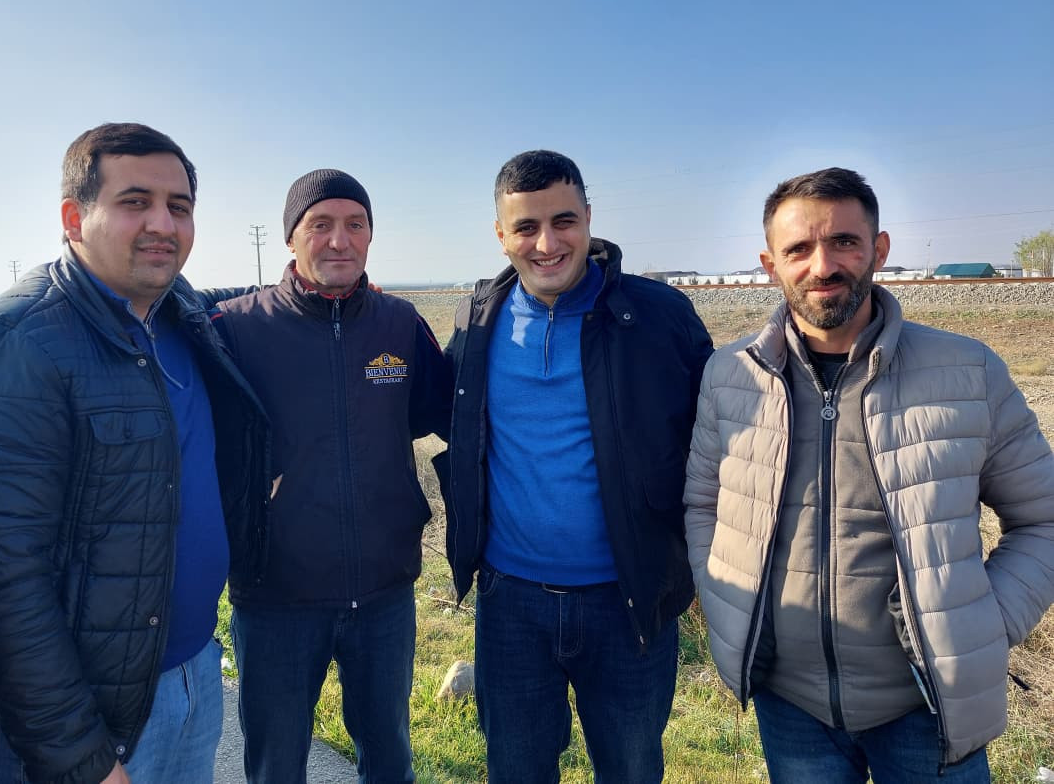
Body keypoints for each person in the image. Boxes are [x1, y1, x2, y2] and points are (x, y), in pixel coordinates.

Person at [683, 167, 1054, 782]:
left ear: (879, 250)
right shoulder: (731, 376)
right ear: (770, 265)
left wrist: (986, 625)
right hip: (790, 707)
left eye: (844, 242)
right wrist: (727, 607)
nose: (822, 266)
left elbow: (1043, 518)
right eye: (798, 249)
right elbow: (703, 506)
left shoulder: (968, 371)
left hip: (928, 709)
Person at [0, 123, 269, 784]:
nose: (162, 224)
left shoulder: (178, 313)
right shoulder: (12, 345)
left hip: (195, 678)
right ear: (72, 218)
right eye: (134, 201)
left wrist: (323, 280)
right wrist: (81, 758)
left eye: (178, 206)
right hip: (89, 725)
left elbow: (240, 300)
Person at [439, 149, 713, 782]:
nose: (547, 243)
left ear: (589, 217)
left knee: (631, 769)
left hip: (629, 602)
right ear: (500, 235)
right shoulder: (476, 322)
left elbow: (716, 436)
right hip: (510, 604)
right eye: (526, 227)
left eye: (563, 221)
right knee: (516, 769)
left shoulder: (658, 316)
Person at [212, 168, 451, 783]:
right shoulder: (235, 328)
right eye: (320, 224)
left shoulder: (400, 325)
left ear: (371, 235)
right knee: (276, 766)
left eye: (355, 224)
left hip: (384, 595)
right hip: (275, 597)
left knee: (390, 759)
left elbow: (446, 415)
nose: (339, 240)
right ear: (291, 238)